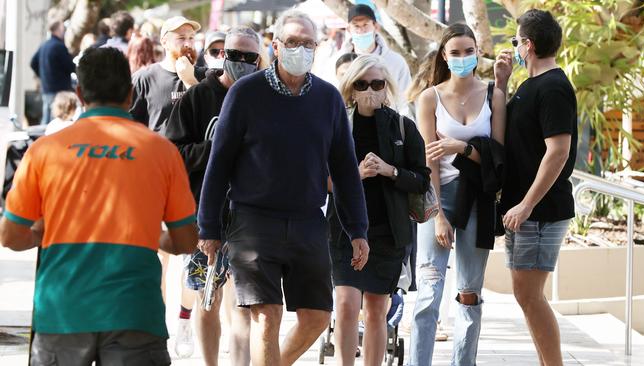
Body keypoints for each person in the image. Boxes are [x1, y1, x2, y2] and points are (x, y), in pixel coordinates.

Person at [0, 47, 198, 366]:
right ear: (131, 93)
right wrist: (149, 236)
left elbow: (10, 236)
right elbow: (188, 240)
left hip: (62, 312)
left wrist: (45, 233)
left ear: (79, 93)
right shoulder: (161, 152)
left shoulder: (44, 150)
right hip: (135, 312)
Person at [197, 10, 370, 366]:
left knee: (317, 318)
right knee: (267, 316)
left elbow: (345, 170)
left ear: (318, 48)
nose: (299, 49)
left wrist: (358, 229)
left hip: (308, 220)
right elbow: (219, 164)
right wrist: (209, 228)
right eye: (292, 42)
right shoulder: (246, 93)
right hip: (252, 221)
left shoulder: (328, 99)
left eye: (307, 43)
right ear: (275, 46)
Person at [164, 26, 265, 366]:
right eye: (234, 55)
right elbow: (173, 153)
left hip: (252, 215)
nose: (241, 62)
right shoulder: (197, 97)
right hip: (204, 215)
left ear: (259, 59)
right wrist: (217, 150)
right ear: (221, 56)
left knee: (242, 303)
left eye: (249, 57)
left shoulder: (266, 95)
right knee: (208, 298)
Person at [409, 23, 506, 366]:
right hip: (438, 198)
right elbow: (427, 162)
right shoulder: (429, 97)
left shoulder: (494, 95)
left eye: (469, 50)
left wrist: (460, 147)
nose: (463, 57)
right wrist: (438, 215)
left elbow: (497, 156)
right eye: (456, 52)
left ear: (478, 52)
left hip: (478, 199)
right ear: (444, 57)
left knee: (469, 294)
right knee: (428, 294)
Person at [332, 54, 430, 366]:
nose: (370, 89)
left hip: (389, 231)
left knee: (376, 310)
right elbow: (320, 179)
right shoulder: (337, 126)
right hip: (343, 230)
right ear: (351, 87)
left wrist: (391, 170)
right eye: (362, 83)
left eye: (377, 83)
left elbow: (421, 180)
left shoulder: (402, 126)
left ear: (387, 86)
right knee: (346, 304)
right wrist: (355, 175)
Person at [494, 9, 577, 366]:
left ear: (527, 44)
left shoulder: (554, 86)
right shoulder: (530, 86)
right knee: (526, 295)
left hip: (541, 211)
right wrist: (502, 84)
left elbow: (558, 151)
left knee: (529, 295)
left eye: (516, 41)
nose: (514, 47)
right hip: (524, 211)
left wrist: (527, 204)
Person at [130, 15, 204, 133]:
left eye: (191, 38)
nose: (188, 44)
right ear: (164, 42)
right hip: (157, 150)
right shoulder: (144, 78)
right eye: (181, 38)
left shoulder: (204, 76)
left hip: (196, 150)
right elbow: (131, 125)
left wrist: (191, 81)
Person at [335, 4, 411, 114]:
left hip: (387, 123)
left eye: (365, 25)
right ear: (348, 29)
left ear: (375, 26)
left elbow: (405, 101)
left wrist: (403, 128)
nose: (361, 30)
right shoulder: (338, 62)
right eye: (356, 26)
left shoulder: (396, 62)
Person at [30, 18, 76, 125]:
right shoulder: (59, 46)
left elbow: (33, 63)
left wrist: (42, 75)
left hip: (46, 87)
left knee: (46, 118)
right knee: (57, 120)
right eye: (62, 29)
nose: (64, 31)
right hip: (59, 89)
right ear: (58, 30)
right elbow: (70, 66)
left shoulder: (44, 45)